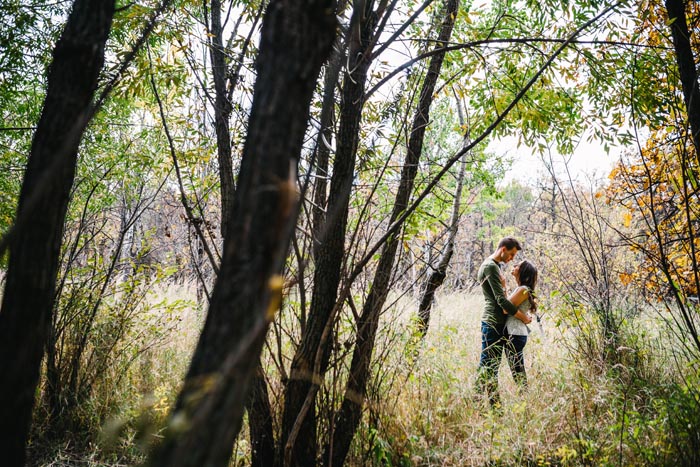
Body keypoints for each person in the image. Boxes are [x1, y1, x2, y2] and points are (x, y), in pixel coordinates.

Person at [475, 237, 531, 407]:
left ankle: (495, 407)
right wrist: (523, 317)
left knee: (492, 365)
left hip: (498, 323)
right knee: (487, 365)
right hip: (492, 322)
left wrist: (505, 286)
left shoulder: (495, 266)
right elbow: (501, 301)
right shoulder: (490, 266)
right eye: (511, 254)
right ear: (503, 249)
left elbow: (501, 297)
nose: (512, 258)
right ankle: (478, 403)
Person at [503, 260, 538, 388]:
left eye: (518, 265)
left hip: (515, 333)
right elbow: (508, 304)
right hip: (515, 332)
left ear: (523, 271)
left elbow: (505, 309)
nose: (514, 266)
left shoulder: (523, 289)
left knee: (517, 370)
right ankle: (524, 394)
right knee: (517, 369)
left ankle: (524, 395)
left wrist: (502, 286)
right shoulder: (521, 289)